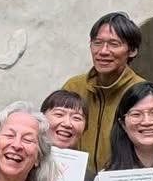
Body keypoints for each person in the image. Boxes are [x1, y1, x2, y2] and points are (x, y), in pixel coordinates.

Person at [62, 12, 145, 171]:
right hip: (74, 178)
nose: (103, 51)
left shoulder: (141, 93)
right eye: (97, 42)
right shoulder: (74, 87)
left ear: (132, 50)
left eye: (114, 44)